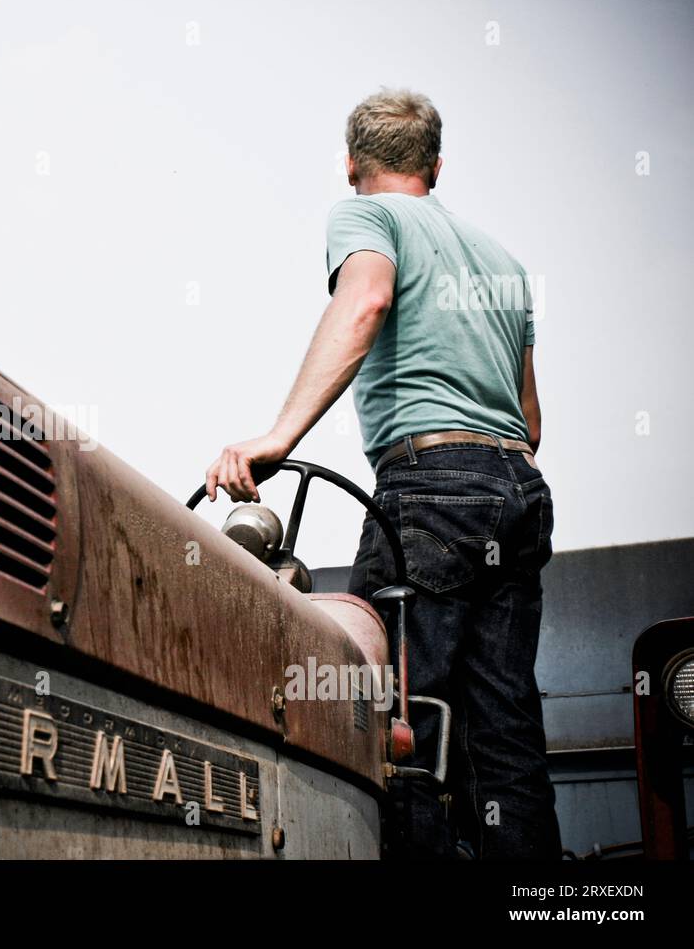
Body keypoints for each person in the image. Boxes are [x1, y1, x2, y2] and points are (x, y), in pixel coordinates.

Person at [203, 88, 561, 859]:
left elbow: (365, 300)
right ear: (436, 165)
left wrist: (278, 436)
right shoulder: (505, 264)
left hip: (429, 489)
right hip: (517, 492)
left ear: (352, 166)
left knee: (393, 720)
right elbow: (530, 424)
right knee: (505, 732)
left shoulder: (364, 216)